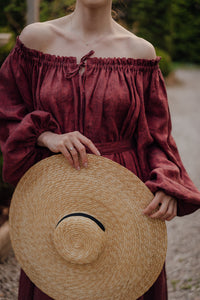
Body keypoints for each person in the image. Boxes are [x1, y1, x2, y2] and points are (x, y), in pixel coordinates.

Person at [0, 0, 200, 299]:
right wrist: (46, 136)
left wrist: (167, 182)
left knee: (122, 285)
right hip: (54, 195)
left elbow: (158, 136)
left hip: (125, 197)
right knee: (57, 282)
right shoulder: (35, 39)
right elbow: (6, 109)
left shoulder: (140, 52)